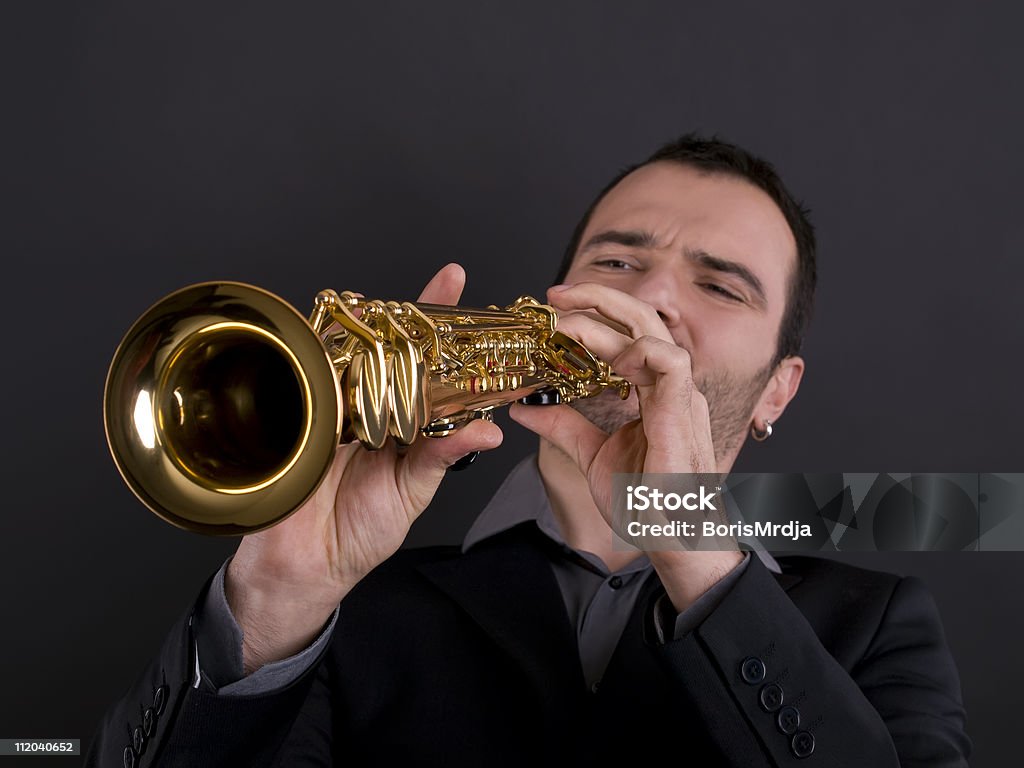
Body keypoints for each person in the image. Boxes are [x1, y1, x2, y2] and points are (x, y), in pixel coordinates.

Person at [86, 135, 971, 767]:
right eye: (618, 264)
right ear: (555, 305)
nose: (656, 297)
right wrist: (277, 601)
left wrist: (691, 541)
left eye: (718, 285)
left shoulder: (880, 625)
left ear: (780, 387)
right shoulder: (356, 607)